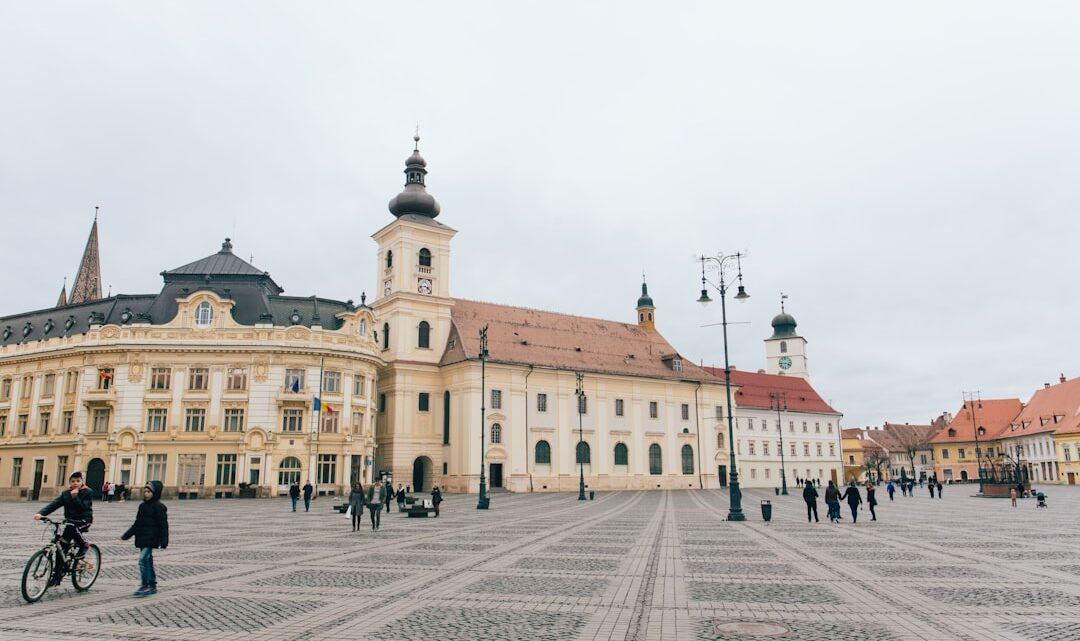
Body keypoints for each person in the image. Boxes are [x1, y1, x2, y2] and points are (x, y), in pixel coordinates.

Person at [34, 472, 94, 567]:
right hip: (70, 521)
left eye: (78, 481)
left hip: (84, 520)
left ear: (82, 482)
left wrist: (75, 497)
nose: (75, 483)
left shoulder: (87, 492)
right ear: (69, 483)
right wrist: (41, 513)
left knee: (74, 529)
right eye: (73, 481)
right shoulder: (66, 494)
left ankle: (84, 545)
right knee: (61, 547)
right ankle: (57, 575)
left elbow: (83, 508)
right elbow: (54, 504)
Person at [121, 480, 168, 597]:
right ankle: (152, 584)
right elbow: (137, 523)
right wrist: (127, 534)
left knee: (142, 560)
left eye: (149, 491)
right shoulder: (142, 506)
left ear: (155, 493)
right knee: (148, 560)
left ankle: (145, 585)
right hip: (142, 537)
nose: (146, 493)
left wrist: (164, 541)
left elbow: (163, 525)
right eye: (145, 491)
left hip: (152, 538)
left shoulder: (160, 507)